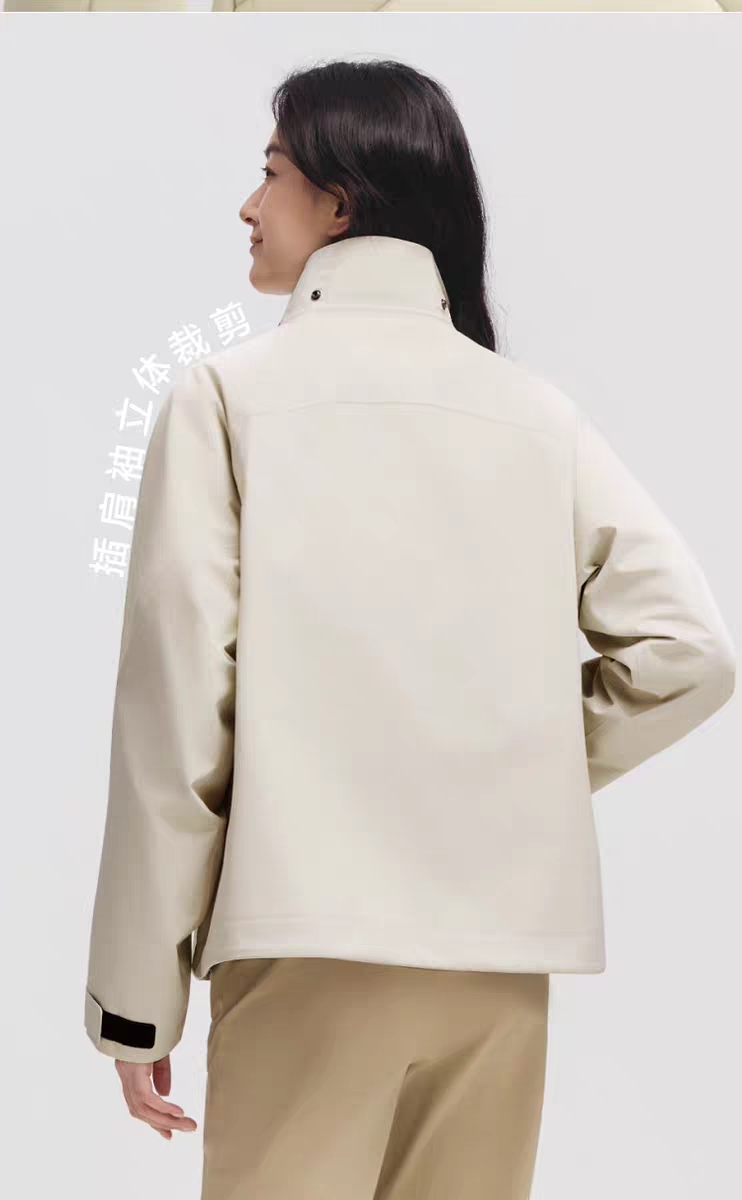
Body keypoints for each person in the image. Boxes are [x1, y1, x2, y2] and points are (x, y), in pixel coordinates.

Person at [84, 57, 735, 1200]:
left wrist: (136, 1001)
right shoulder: (536, 415)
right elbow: (688, 651)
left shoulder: (227, 398)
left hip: (307, 950)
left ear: (340, 202)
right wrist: (503, 770)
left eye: (271, 172)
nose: (248, 204)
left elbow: (176, 724)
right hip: (498, 966)